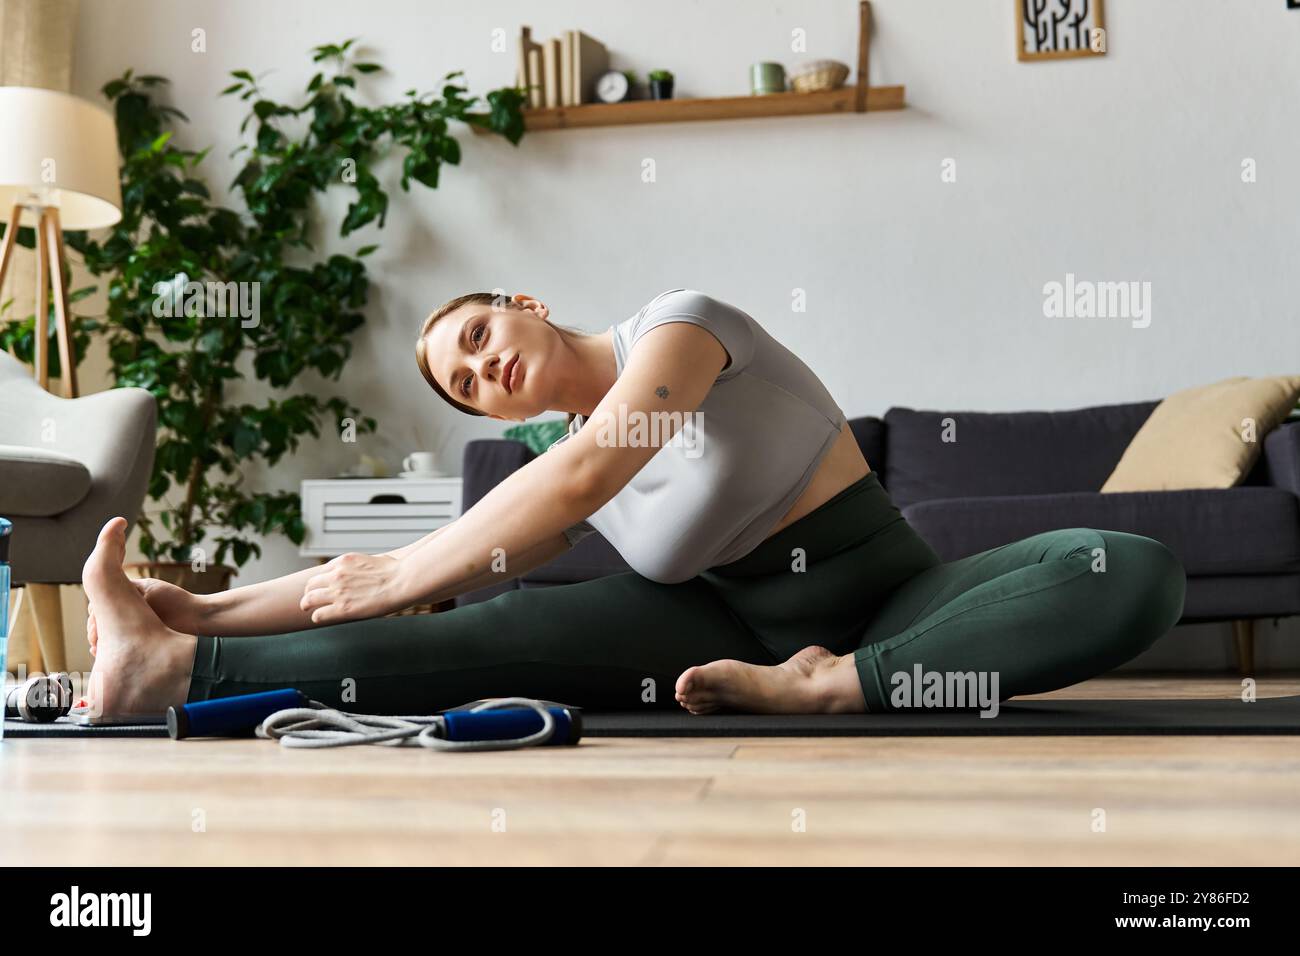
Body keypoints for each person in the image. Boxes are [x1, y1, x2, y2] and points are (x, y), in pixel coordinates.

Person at [82, 289, 1186, 719]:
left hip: (896, 601)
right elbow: (388, 573)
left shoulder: (682, 326)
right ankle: (170, 673)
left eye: (477, 338)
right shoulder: (553, 461)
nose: (482, 370)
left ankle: (837, 685)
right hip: (717, 622)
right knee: (484, 632)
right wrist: (193, 612)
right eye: (459, 381)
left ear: (525, 306)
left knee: (1127, 569)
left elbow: (594, 468)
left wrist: (416, 570)